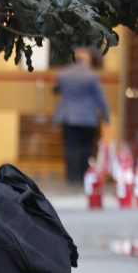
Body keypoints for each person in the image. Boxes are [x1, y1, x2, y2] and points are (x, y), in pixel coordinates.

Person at [53, 47, 110, 185]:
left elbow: (56, 90)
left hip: (68, 117)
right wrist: (106, 116)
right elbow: (100, 98)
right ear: (88, 60)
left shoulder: (62, 74)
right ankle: (84, 176)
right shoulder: (92, 76)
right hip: (87, 118)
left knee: (70, 148)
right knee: (86, 148)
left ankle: (71, 177)